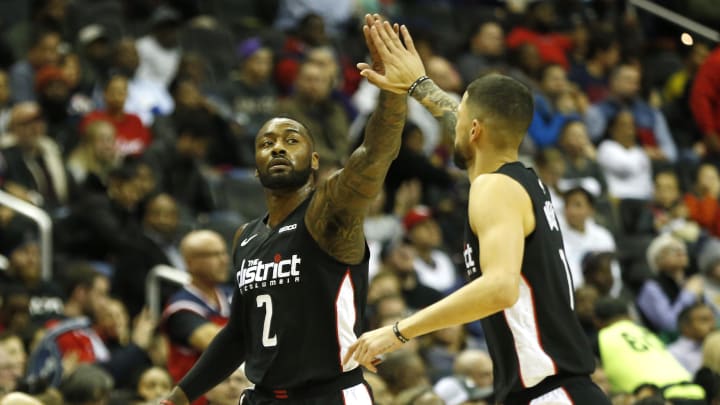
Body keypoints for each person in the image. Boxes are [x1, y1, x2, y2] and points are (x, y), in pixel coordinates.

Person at [343, 19, 609, 404]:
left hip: (551, 393)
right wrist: (419, 86)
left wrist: (398, 331)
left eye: (462, 118)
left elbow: (499, 287)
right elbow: (459, 118)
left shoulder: (494, 188)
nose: (453, 124)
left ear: (474, 131)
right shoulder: (523, 181)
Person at [160, 14, 408, 405]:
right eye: (267, 142)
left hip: (330, 395)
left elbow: (375, 156)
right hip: (263, 397)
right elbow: (238, 335)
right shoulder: (246, 236)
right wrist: (177, 397)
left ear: (313, 160)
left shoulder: (329, 214)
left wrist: (393, 91)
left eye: (291, 140)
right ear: (256, 164)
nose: (277, 147)